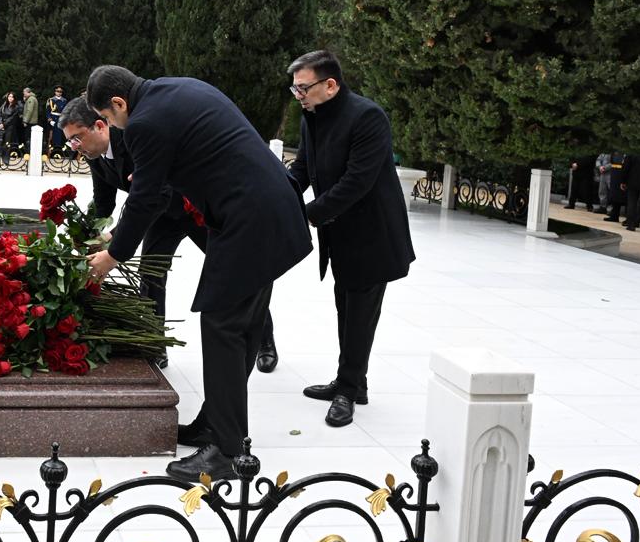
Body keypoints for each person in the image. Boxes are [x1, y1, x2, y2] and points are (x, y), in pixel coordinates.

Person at [84, 66, 311, 482]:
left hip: (250, 217)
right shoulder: (178, 88)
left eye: (112, 119)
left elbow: (146, 197)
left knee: (222, 323)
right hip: (269, 209)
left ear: (118, 104)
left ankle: (225, 453)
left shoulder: (144, 122)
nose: (116, 128)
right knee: (242, 326)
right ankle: (217, 425)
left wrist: (113, 254)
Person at [286, 50, 413, 428]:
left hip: (373, 234)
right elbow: (303, 170)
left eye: (303, 88)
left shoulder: (367, 116)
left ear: (330, 84)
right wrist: (278, 199)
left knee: (359, 313)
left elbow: (357, 182)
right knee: (346, 307)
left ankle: (348, 391)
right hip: (339, 232)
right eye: (294, 90)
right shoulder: (312, 118)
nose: (299, 96)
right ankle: (353, 382)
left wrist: (307, 214)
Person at [60, 96, 203, 368]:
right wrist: (89, 235)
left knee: (234, 269)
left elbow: (153, 195)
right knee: (151, 274)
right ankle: (154, 343)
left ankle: (263, 335)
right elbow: (104, 202)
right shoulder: (95, 155)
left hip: (192, 207)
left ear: (100, 126)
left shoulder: (134, 137)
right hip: (159, 216)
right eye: (70, 141)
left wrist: (113, 240)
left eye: (77, 138)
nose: (75, 147)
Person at [0, 90, 22, 164]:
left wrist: (4, 124)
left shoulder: (16, 107)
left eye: (12, 97)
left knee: (7, 143)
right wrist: (0, 123)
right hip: (1, 125)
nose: (10, 98)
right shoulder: (4, 104)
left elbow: (12, 118)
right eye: (9, 96)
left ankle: (6, 158)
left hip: (9, 127)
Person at [601, 152, 627, 223]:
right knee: (614, 196)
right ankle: (614, 215)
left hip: (622, 172)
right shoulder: (615, 151)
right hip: (614, 173)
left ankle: (629, 218)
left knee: (625, 197)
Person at [47, 85, 68, 150]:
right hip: (53, 118)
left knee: (60, 135)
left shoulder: (64, 100)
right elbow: (48, 111)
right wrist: (50, 119)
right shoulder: (51, 100)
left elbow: (65, 111)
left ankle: (58, 150)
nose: (59, 93)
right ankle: (52, 150)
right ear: (55, 92)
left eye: (60, 91)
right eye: (57, 91)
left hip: (60, 119)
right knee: (52, 136)